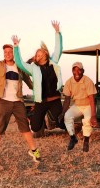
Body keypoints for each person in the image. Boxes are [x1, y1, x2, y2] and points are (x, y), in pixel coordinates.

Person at [0, 34, 40, 164]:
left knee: (25, 128)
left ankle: (34, 151)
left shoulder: (20, 67)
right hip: (4, 101)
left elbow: (29, 81)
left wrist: (38, 91)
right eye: (6, 52)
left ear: (13, 53)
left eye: (10, 52)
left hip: (18, 102)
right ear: (3, 54)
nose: (8, 54)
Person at [13, 20, 64, 154]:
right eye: (36, 54)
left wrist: (57, 32)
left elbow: (58, 49)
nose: (37, 55)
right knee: (35, 127)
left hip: (55, 99)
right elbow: (20, 63)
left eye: (39, 53)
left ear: (45, 54)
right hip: (41, 102)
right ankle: (35, 121)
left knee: (61, 122)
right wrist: (16, 47)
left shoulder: (53, 62)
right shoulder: (33, 68)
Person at [58, 62, 97, 152]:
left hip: (87, 105)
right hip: (77, 105)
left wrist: (93, 116)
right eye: (74, 70)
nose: (77, 72)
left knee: (87, 119)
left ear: (83, 71)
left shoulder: (88, 81)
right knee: (67, 116)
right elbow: (67, 99)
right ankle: (73, 138)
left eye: (79, 70)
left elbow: (91, 99)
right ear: (72, 71)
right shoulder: (69, 82)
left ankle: (86, 141)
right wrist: (63, 113)